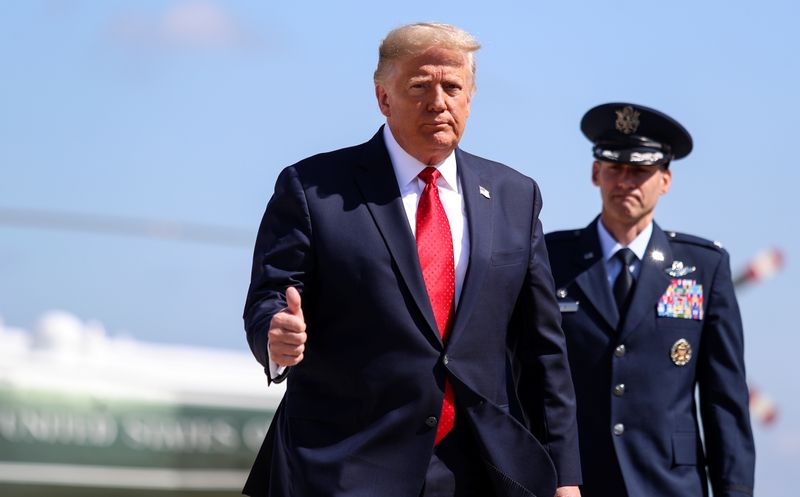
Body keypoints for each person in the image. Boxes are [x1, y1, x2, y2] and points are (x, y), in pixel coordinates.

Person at [242, 22, 581, 497]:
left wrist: (564, 477)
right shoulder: (314, 188)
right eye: (420, 87)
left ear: (471, 97)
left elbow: (542, 350)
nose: (438, 102)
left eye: (453, 87)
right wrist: (275, 334)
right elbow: (271, 296)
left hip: (478, 469)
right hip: (347, 464)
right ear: (383, 98)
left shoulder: (514, 196)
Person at [545, 102, 755, 497]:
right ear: (596, 174)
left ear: (665, 180)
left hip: (670, 484)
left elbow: (724, 399)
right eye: (615, 169)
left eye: (640, 171)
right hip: (577, 482)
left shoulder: (703, 267)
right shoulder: (550, 259)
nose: (626, 181)